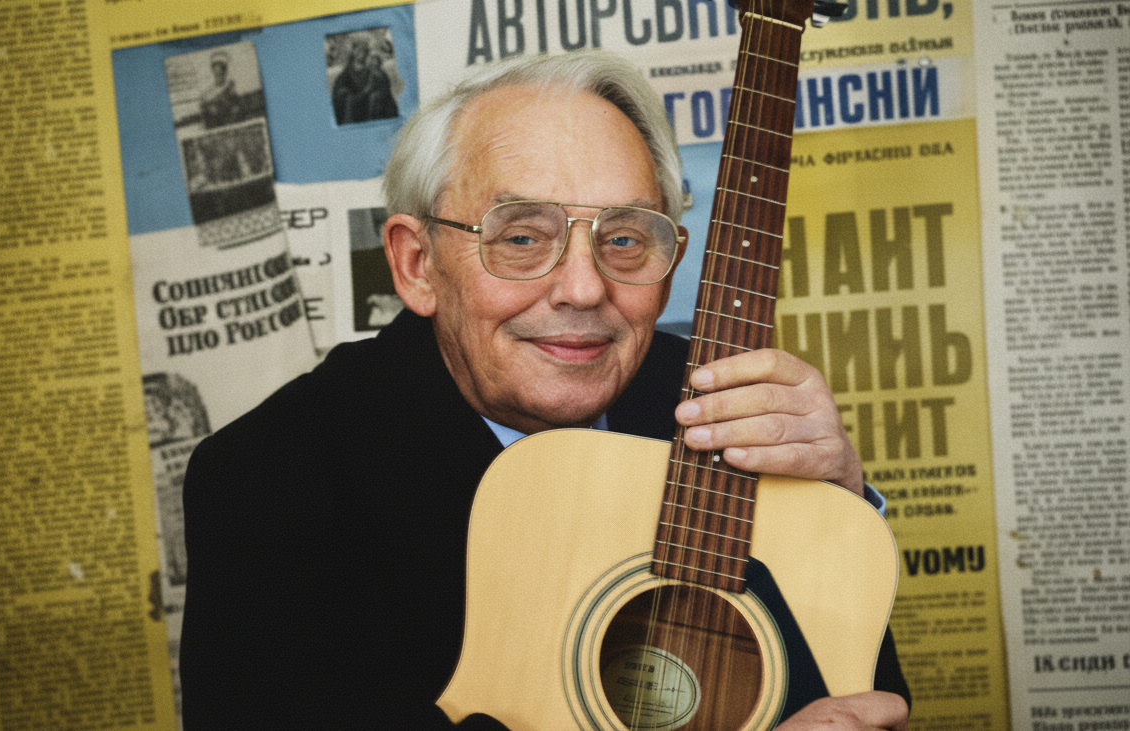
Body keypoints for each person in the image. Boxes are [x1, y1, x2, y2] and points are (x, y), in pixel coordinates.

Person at [180, 52, 910, 730]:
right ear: (416, 264)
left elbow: (863, 701)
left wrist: (837, 510)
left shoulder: (721, 408)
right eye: (523, 237)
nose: (584, 288)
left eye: (624, 239)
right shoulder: (266, 481)